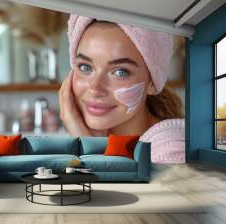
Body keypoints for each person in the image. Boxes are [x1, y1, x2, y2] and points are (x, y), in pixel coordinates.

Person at [59, 15, 185, 163]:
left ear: (152, 82)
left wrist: (86, 145)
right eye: (85, 67)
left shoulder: (171, 153)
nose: (95, 89)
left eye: (120, 72)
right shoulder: (114, 144)